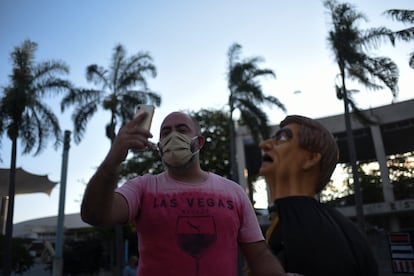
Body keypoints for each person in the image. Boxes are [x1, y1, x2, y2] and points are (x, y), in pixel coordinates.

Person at [81, 111, 286, 276]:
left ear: (199, 142)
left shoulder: (234, 192)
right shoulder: (143, 187)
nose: (172, 137)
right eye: (165, 133)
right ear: (159, 146)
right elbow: (94, 214)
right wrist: (113, 159)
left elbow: (258, 255)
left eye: (181, 129)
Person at [258, 115, 379, 276]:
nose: (264, 144)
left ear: (310, 158)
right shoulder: (291, 219)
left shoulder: (305, 230)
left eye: (282, 137)